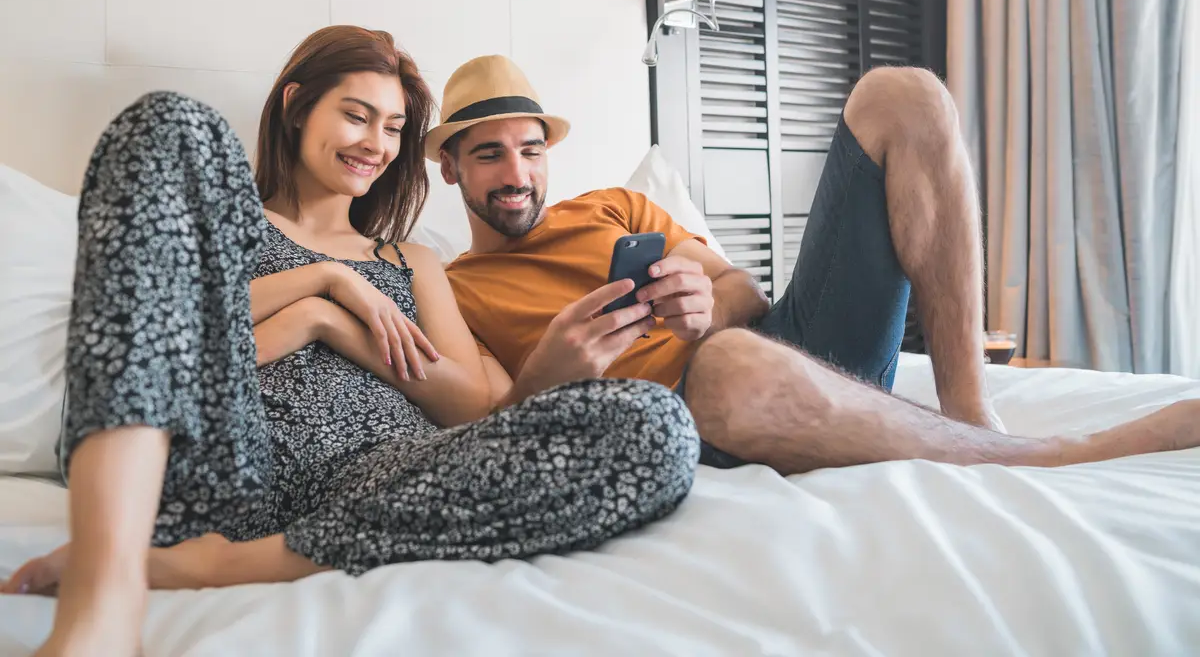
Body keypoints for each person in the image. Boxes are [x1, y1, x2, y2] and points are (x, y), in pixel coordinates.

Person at [1, 28, 699, 656]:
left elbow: (467, 408)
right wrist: (323, 282)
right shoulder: (227, 228)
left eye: (393, 127)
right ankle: (104, 596)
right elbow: (164, 339)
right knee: (165, 124)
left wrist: (331, 321)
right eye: (356, 115)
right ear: (298, 105)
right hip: (235, 461)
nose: (376, 143)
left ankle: (209, 564)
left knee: (654, 424)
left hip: (387, 471)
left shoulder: (412, 261)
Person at [437, 54, 1200, 473]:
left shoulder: (611, 208)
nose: (517, 173)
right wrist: (554, 369)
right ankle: (1043, 458)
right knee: (729, 363)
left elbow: (745, 289)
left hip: (789, 346)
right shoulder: (452, 293)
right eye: (489, 154)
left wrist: (706, 300)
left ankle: (972, 413)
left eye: (530, 150)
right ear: (450, 169)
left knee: (904, 96)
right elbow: (485, 430)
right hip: (695, 420)